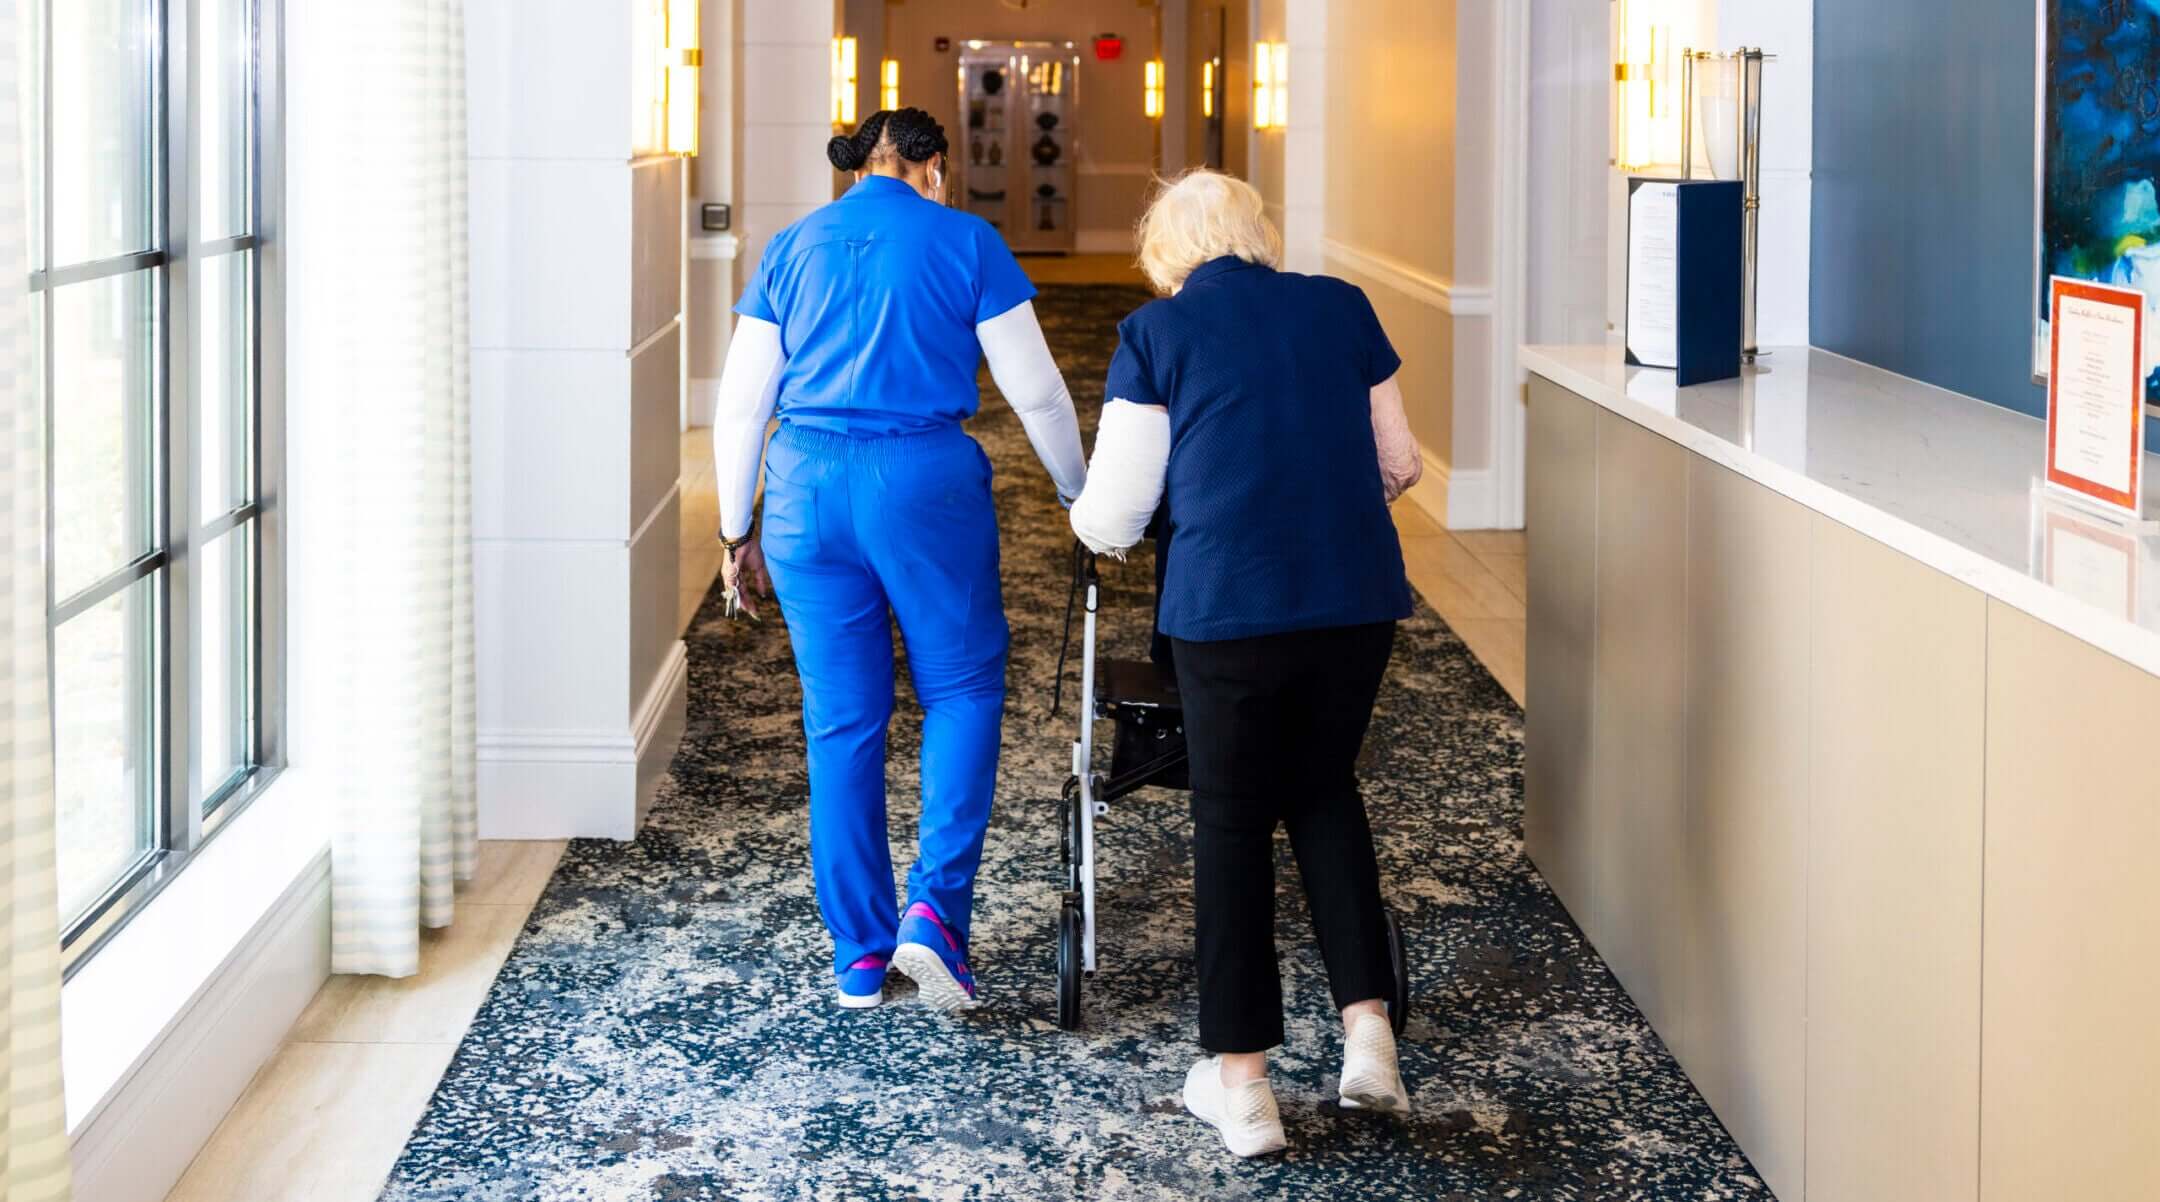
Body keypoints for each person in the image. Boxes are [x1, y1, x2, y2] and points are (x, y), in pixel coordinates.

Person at [1069, 170, 1421, 1158]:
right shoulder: (1341, 306)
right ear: (1257, 233)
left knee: (1229, 821)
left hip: (1227, 614)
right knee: (1324, 792)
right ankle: (1368, 1038)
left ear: (1167, 252)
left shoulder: (1157, 334)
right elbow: (1400, 463)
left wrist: (1087, 516)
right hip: (1355, 603)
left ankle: (1245, 1086)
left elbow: (1118, 513)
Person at [712, 108, 1086, 1013]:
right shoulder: (967, 238)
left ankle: (860, 957)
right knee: (960, 688)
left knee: (841, 721)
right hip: (921, 483)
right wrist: (1079, 494)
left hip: (803, 489)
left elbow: (740, 408)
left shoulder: (793, 246)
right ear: (929, 164)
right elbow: (1034, 390)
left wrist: (735, 532)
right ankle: (936, 915)